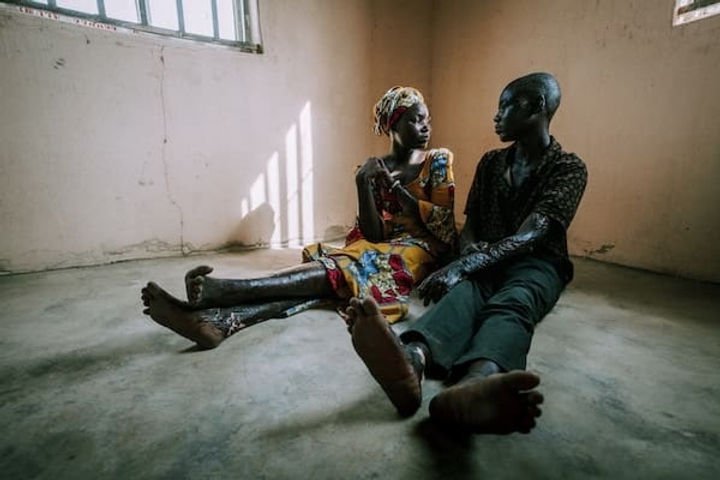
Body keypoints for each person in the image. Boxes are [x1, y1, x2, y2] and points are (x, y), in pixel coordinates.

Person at [346, 72, 588, 434]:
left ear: (537, 107)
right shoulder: (491, 163)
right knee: (461, 297)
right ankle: (411, 362)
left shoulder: (568, 168)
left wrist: (465, 264)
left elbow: (531, 235)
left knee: (514, 303)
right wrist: (469, 251)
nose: (497, 115)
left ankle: (476, 384)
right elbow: (471, 223)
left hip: (538, 262)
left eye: (506, 106)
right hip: (487, 256)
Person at [141, 86, 457, 349]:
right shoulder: (374, 168)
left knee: (346, 266)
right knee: (334, 276)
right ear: (393, 125)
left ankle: (223, 291)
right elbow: (374, 236)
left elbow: (443, 223)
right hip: (380, 246)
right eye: (416, 120)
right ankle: (219, 323)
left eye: (427, 120)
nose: (426, 127)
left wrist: (398, 191)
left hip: (421, 249)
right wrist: (362, 182)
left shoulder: (438, 161)